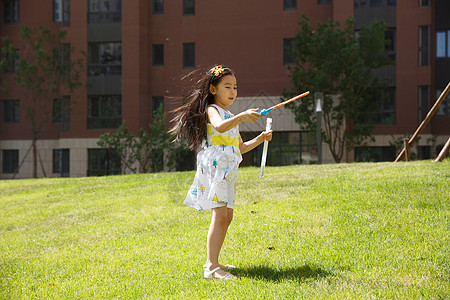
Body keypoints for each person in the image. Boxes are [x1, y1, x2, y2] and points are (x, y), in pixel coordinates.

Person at [170, 65, 273, 280]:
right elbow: (219, 127)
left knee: (227, 216)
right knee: (219, 216)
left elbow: (241, 147)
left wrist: (261, 138)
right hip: (217, 168)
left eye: (235, 87)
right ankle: (211, 267)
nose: (233, 91)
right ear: (213, 90)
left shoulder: (230, 115)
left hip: (229, 170)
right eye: (227, 86)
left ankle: (215, 261)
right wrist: (243, 116)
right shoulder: (213, 110)